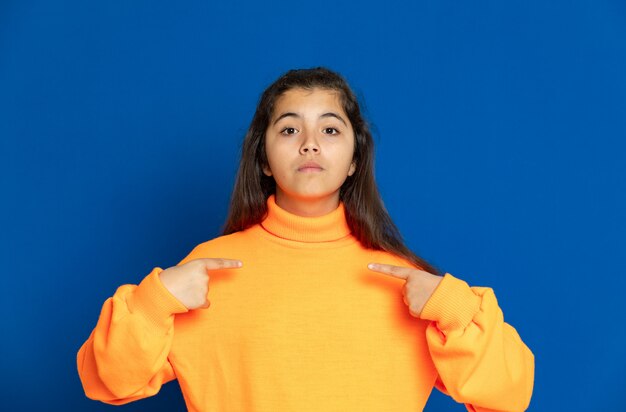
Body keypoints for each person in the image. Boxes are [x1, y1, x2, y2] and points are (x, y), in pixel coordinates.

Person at [77, 67, 534, 411]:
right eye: (290, 129)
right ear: (263, 159)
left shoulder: (406, 283)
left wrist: (455, 310)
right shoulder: (208, 270)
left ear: (355, 160)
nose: (310, 143)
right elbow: (108, 380)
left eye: (331, 129)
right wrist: (157, 301)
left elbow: (509, 394)